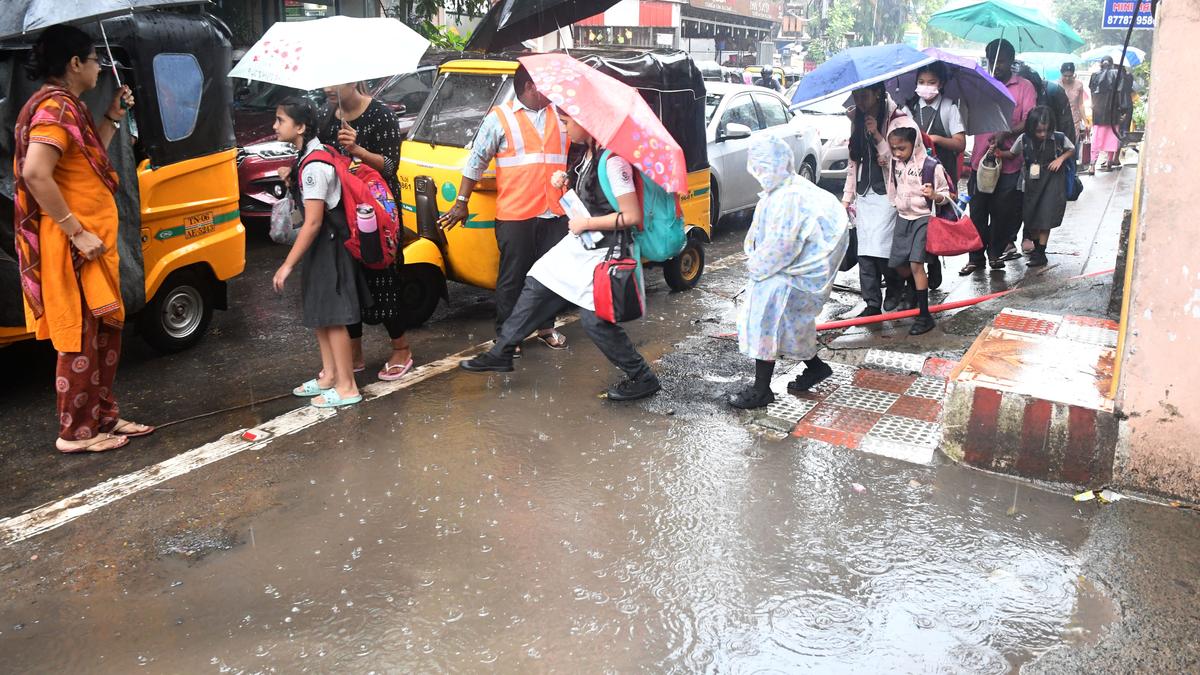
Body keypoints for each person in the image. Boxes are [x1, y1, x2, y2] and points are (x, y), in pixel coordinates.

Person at [458, 108, 661, 402]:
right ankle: (503, 350)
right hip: (583, 243)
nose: (564, 128)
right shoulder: (587, 155)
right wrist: (566, 183)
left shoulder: (614, 161)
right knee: (539, 279)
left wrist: (586, 222)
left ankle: (643, 377)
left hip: (605, 250)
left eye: (567, 122)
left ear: (587, 121)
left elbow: (631, 216)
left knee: (595, 321)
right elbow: (594, 198)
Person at [14, 24, 153, 453]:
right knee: (79, 338)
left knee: (104, 335)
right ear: (75, 63)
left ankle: (102, 417)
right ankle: (75, 433)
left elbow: (86, 166)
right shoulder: (53, 109)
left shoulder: (68, 106)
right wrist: (75, 231)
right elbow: (35, 173)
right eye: (95, 60)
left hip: (93, 245)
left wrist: (112, 115)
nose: (100, 67)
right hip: (74, 247)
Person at [439, 65, 569, 352]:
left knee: (550, 275)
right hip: (516, 214)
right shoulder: (499, 118)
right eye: (546, 84)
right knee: (512, 277)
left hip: (554, 212)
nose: (552, 91)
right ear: (530, 86)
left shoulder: (561, 115)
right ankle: (508, 335)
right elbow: (476, 161)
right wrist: (461, 202)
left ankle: (546, 327)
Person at [727, 135, 849, 410]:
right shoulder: (784, 189)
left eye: (761, 165)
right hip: (795, 272)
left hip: (790, 274)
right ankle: (816, 368)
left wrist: (757, 268)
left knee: (766, 322)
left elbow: (782, 246)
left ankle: (761, 390)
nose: (758, 171)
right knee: (792, 325)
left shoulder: (788, 197)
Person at [272, 96, 371, 408]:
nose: (275, 126)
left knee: (334, 317)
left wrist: (287, 265)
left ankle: (347, 386)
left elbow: (313, 222)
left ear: (300, 127)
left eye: (281, 120)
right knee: (321, 314)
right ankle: (329, 375)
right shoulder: (309, 155)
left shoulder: (314, 164)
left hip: (330, 246)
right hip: (322, 247)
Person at [318, 82, 413, 382]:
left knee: (382, 277)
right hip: (341, 210)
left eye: (334, 80)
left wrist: (357, 150)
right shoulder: (326, 116)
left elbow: (391, 166)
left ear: (352, 79)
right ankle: (354, 352)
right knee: (349, 279)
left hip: (376, 211)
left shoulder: (381, 115)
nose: (327, 87)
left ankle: (401, 349)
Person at [842, 83, 920, 316]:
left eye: (864, 95)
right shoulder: (856, 120)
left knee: (885, 250)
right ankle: (872, 303)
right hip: (864, 195)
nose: (859, 101)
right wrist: (847, 198)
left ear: (877, 93)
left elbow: (904, 159)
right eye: (855, 95)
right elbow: (853, 162)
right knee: (865, 252)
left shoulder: (899, 121)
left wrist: (877, 135)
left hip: (889, 195)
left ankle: (898, 288)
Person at [961, 38, 1037, 275]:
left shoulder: (1024, 87)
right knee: (977, 212)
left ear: (1011, 62)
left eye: (1002, 61)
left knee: (1002, 213)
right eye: (993, 61)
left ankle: (995, 253)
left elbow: (1030, 121)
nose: (997, 66)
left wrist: (1007, 132)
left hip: (1009, 163)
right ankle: (975, 258)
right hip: (980, 161)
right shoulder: (981, 85)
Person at [885, 127, 952, 336]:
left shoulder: (931, 166)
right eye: (893, 148)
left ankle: (924, 315)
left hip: (923, 218)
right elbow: (893, 186)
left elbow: (948, 195)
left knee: (916, 265)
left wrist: (934, 195)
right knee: (899, 264)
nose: (897, 153)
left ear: (914, 145)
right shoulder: (895, 164)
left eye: (901, 148)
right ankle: (918, 285)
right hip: (903, 218)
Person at [995, 106, 1074, 268]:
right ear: (1031, 128)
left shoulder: (1058, 138)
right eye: (1039, 131)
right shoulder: (1023, 139)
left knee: (1046, 216)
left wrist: (1060, 159)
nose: (1043, 134)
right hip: (1031, 183)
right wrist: (999, 153)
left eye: (1046, 130)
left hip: (1052, 182)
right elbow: (1012, 154)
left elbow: (1071, 149)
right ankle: (1038, 250)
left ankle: (1040, 252)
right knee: (1031, 217)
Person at [905, 61, 966, 185]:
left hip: (944, 175)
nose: (926, 86)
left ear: (941, 84)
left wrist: (936, 139)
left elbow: (960, 144)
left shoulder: (949, 107)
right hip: (915, 177)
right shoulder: (909, 109)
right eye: (921, 82)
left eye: (931, 82)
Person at [1089, 56, 1132, 172]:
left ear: (1101, 64)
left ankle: (1092, 165)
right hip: (1113, 113)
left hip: (1098, 114)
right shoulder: (1117, 75)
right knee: (1112, 138)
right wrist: (1123, 110)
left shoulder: (1094, 76)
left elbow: (1092, 93)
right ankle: (1109, 163)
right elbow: (1121, 93)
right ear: (1112, 64)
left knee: (1096, 139)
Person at [1059, 62, 1091, 172]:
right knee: (1061, 146)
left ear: (1074, 74)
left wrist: (1085, 121)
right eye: (1065, 75)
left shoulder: (1079, 85)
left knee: (1073, 147)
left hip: (1074, 121)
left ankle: (1072, 172)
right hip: (1060, 121)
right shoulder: (1057, 85)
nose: (1067, 78)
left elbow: (1080, 104)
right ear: (1061, 74)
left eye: (1070, 76)